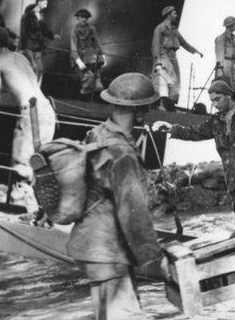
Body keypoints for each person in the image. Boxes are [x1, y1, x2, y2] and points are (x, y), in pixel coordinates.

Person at [66, 72, 164, 320]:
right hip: (108, 250)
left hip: (91, 247)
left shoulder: (97, 134)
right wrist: (154, 258)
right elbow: (133, 213)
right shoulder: (121, 153)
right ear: (141, 110)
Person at [165, 80, 235, 223]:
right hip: (231, 173)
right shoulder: (216, 120)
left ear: (228, 95)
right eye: (212, 101)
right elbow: (195, 133)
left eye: (218, 99)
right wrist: (171, 129)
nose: (215, 104)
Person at [0, 28, 57, 210]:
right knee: (39, 164)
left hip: (31, 113)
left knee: (22, 166)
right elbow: (28, 81)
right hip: (47, 109)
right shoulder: (21, 58)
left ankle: (32, 210)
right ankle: (43, 210)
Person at [151, 5, 201, 108]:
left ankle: (170, 105)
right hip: (163, 55)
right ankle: (160, 105)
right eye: (174, 14)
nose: (176, 16)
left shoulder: (174, 30)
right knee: (164, 80)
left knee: (176, 82)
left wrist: (195, 51)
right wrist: (158, 61)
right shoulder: (160, 28)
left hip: (173, 56)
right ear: (168, 15)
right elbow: (156, 45)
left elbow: (184, 43)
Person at [19, 0, 58, 85]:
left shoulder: (40, 16)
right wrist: (23, 45)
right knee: (31, 67)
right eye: (45, 3)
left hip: (37, 47)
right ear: (39, 2)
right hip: (29, 46)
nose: (46, 5)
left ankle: (35, 89)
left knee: (39, 69)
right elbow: (24, 31)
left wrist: (52, 36)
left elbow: (44, 28)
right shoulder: (28, 16)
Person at [71, 8, 104, 98]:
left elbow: (97, 42)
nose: (84, 19)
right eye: (81, 17)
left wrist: (102, 55)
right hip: (80, 57)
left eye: (85, 17)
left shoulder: (92, 29)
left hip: (91, 55)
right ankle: (85, 95)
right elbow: (73, 46)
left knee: (97, 82)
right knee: (87, 77)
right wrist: (77, 60)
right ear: (78, 18)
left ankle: (96, 94)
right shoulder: (75, 30)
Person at [215, 16, 235, 92]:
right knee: (227, 87)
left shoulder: (234, 38)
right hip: (224, 64)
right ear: (230, 25)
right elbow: (219, 55)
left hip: (232, 64)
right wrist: (220, 70)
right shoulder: (221, 38)